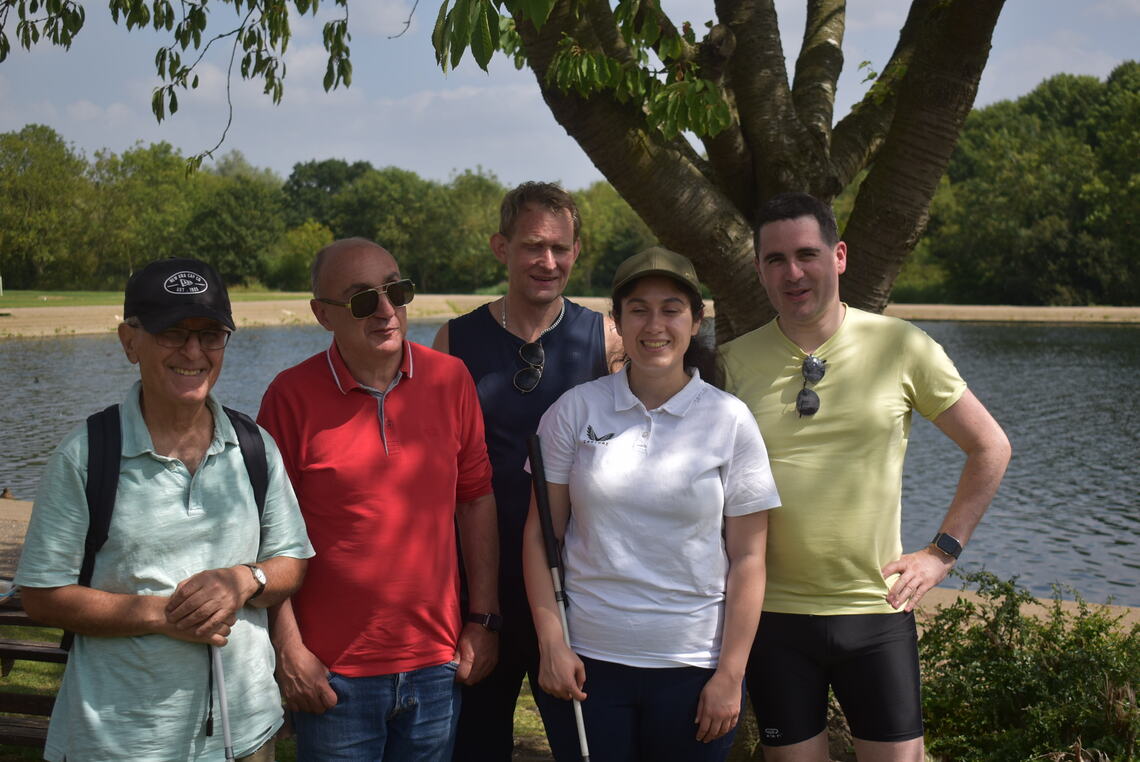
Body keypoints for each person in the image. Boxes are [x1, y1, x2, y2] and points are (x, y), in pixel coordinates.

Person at [718, 192, 1012, 762]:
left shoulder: (901, 345)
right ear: (758, 269)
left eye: (807, 254)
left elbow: (990, 447)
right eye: (775, 259)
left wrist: (942, 552)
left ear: (840, 256)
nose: (792, 273)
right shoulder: (729, 365)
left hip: (876, 613)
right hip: (771, 618)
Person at [15, 257, 313, 761]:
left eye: (210, 334)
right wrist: (161, 615)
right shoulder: (86, 455)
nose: (193, 351)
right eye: (172, 332)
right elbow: (42, 596)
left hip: (247, 735)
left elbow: (292, 560)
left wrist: (245, 580)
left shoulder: (254, 446)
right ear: (129, 341)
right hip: (118, 743)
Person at [523, 247, 781, 761]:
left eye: (671, 309)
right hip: (587, 662)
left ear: (696, 320)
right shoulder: (575, 410)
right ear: (617, 321)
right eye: (638, 310)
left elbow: (750, 558)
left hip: (694, 666)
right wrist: (551, 642)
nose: (654, 325)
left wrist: (731, 673)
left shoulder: (730, 420)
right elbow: (539, 536)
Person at [257, 237, 499, 760]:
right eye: (363, 299)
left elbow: (475, 501)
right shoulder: (289, 397)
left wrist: (483, 619)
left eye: (397, 291)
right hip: (332, 675)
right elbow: (266, 536)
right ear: (322, 314)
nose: (386, 310)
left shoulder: (451, 380)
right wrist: (289, 648)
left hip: (436, 666)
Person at [431, 181, 623, 760]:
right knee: (474, 747)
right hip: (480, 588)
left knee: (584, 746)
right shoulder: (455, 340)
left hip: (576, 593)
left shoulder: (606, 339)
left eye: (560, 248)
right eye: (533, 246)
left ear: (576, 251)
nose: (548, 261)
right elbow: (438, 474)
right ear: (502, 247)